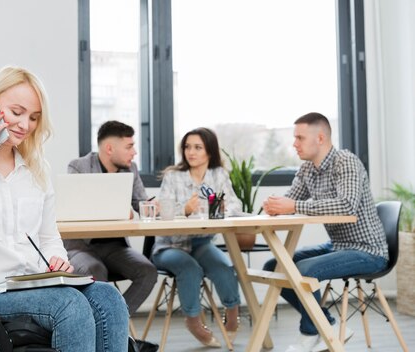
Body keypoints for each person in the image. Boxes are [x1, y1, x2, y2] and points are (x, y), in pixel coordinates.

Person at [0, 66, 128, 352]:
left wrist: (57, 260)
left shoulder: (35, 169)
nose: (25, 125)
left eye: (33, 117)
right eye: (17, 112)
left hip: (31, 286)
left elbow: (48, 238)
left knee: (108, 297)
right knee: (69, 305)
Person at [262, 112, 389, 352]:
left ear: (320, 138)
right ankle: (327, 324)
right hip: (338, 246)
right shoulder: (308, 169)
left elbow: (346, 205)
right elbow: (291, 200)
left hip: (368, 251)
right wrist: (275, 205)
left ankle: (310, 334)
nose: (294, 143)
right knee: (274, 267)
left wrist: (293, 206)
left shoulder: (346, 161)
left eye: (299, 137)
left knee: (304, 270)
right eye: (294, 138)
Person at [63, 121, 159, 349]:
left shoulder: (131, 169)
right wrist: (115, 210)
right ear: (109, 148)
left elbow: (142, 204)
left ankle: (109, 324)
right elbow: (73, 206)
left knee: (147, 271)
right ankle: (108, 331)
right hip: (81, 247)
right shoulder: (78, 166)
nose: (134, 152)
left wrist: (154, 206)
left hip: (115, 247)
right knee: (95, 270)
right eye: (129, 146)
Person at [153, 127, 241, 347]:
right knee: (190, 268)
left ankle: (232, 316)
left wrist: (220, 209)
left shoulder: (218, 175)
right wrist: (185, 209)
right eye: (187, 147)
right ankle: (193, 322)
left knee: (224, 266)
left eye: (197, 147)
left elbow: (235, 204)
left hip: (201, 242)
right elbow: (162, 210)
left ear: (209, 152)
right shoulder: (173, 176)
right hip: (169, 246)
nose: (190, 152)